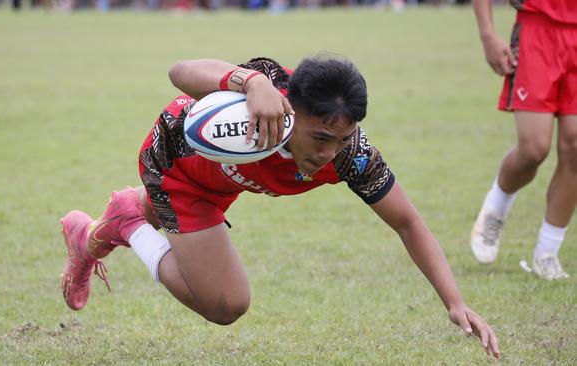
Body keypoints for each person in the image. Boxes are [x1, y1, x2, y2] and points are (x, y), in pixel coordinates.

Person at [60, 55, 500, 358]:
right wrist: (250, 82)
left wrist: (455, 302)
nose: (330, 152)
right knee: (226, 304)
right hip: (175, 164)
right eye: (321, 138)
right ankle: (129, 224)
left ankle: (93, 234)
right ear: (290, 108)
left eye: (342, 139)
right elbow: (180, 71)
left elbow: (408, 222)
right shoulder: (267, 88)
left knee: (172, 228)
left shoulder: (350, 155)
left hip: (223, 179)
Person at [470, 0, 577, 280]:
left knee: (576, 149)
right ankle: (498, 203)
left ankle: (547, 254)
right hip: (538, 31)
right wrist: (488, 34)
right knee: (533, 150)